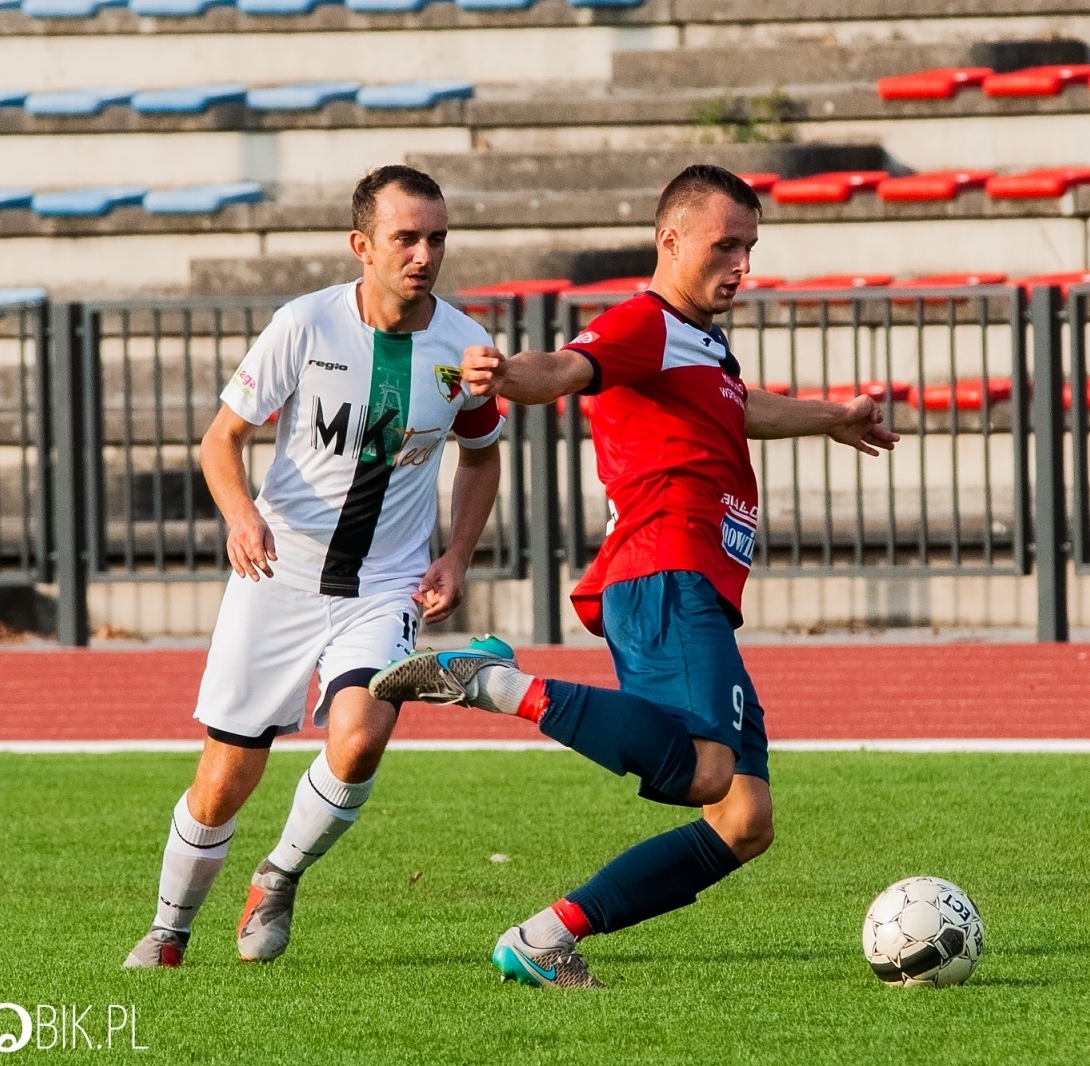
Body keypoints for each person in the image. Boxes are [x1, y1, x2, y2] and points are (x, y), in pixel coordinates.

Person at [369, 164, 900, 988]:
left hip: (692, 584)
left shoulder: (701, 342)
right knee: (708, 771)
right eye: (726, 245)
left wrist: (834, 418)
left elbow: (735, 404)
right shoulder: (643, 324)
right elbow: (570, 367)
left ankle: (543, 937)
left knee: (745, 817)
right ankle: (495, 684)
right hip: (665, 568)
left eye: (750, 248)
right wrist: (508, 378)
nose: (742, 265)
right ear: (671, 240)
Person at [123, 165, 505, 968]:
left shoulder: (463, 348)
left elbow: (480, 456)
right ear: (362, 245)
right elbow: (220, 440)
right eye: (406, 238)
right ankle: (168, 934)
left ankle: (279, 874)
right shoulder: (305, 325)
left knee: (362, 735)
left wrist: (457, 553)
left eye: (437, 238)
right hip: (278, 577)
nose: (424, 254)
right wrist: (242, 515)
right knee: (225, 779)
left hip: (382, 588)